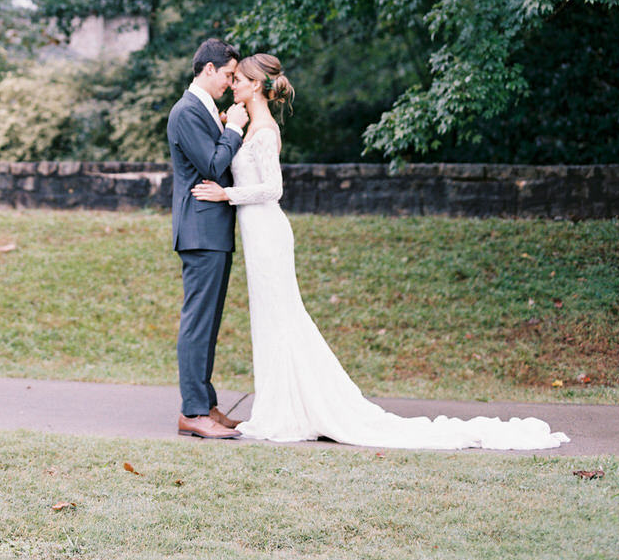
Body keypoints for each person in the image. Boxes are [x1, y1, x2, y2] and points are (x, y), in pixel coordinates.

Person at [192, 53, 570, 451]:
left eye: (239, 80)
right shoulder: (247, 125)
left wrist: (226, 193)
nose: (233, 84)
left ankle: (291, 410)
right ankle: (283, 405)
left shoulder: (266, 130)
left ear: (255, 85)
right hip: (256, 234)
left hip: (269, 233)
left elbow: (274, 189)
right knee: (270, 322)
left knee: (282, 319)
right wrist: (226, 129)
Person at [167, 37, 248, 439]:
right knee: (197, 323)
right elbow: (214, 167)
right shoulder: (186, 111)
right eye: (228, 75)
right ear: (209, 69)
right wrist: (233, 127)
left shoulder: (202, 109)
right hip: (199, 230)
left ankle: (207, 404)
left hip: (214, 229)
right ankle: (192, 411)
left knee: (209, 323)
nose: (230, 83)